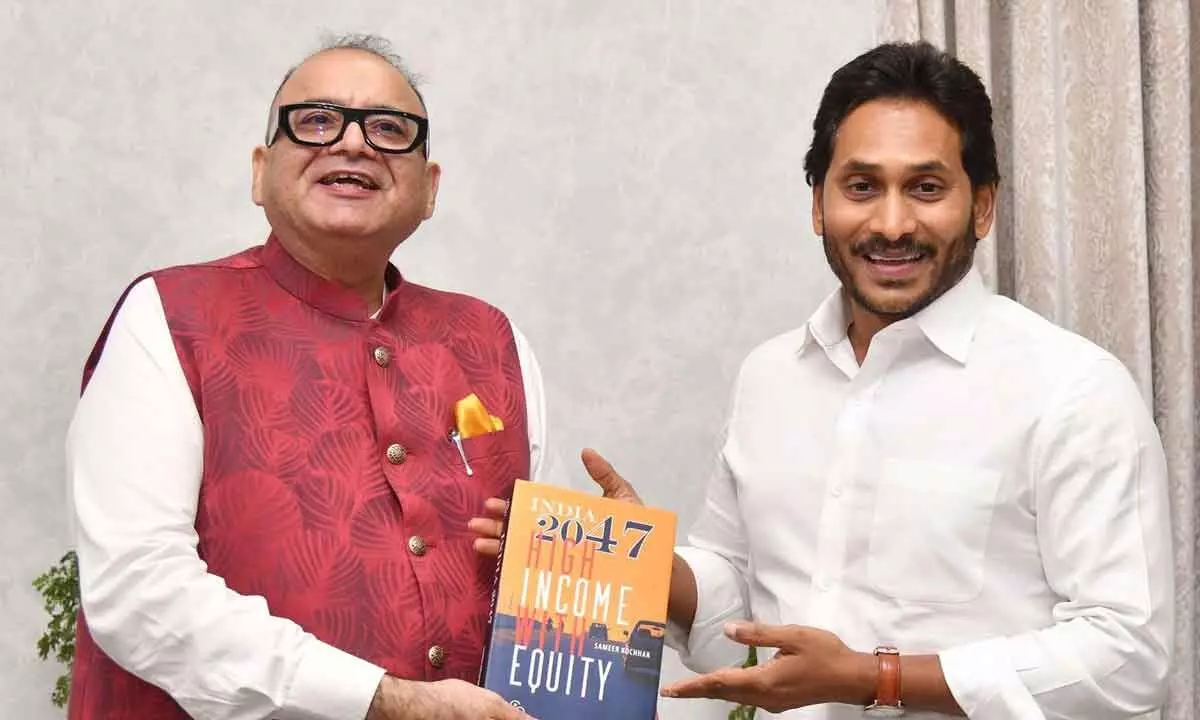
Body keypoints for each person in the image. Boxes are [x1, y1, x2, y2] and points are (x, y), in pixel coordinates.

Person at [582, 41, 1173, 718]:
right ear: (818, 205)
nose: (892, 224)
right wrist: (652, 570)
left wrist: (874, 677)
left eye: (926, 187)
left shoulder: (1074, 390)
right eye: (861, 187)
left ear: (981, 207)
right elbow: (743, 602)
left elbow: (1130, 657)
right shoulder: (771, 377)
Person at [66, 34, 542, 720]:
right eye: (316, 121)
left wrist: (598, 564)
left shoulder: (495, 340)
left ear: (430, 188)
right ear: (261, 173)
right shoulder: (171, 318)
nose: (354, 144)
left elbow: (523, 594)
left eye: (388, 128)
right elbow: (139, 592)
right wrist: (385, 700)